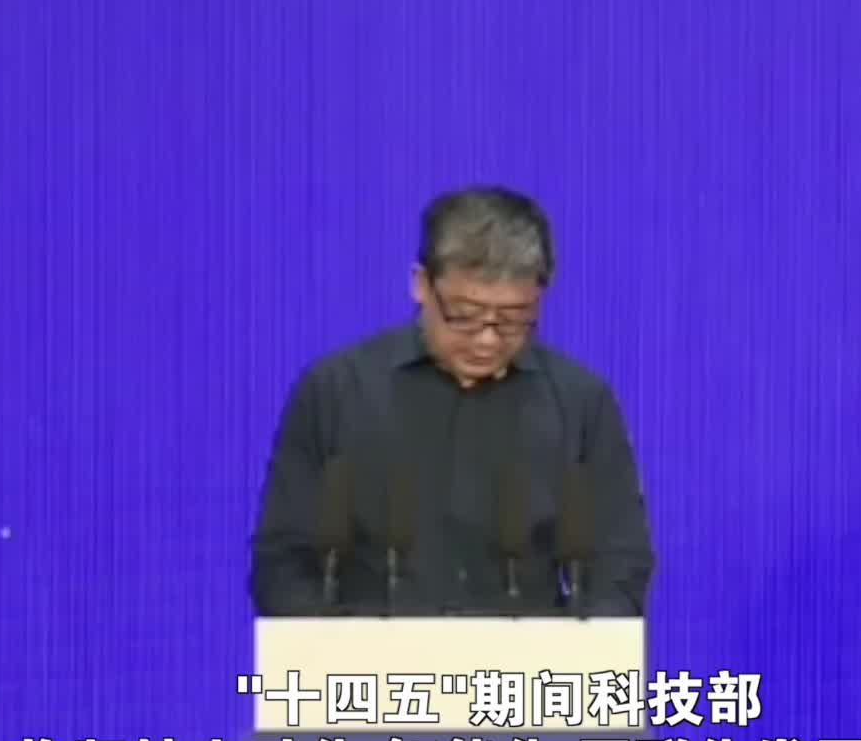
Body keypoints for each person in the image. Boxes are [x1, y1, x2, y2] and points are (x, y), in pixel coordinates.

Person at [249, 186, 654, 616]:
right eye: (465, 315)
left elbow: (620, 563)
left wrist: (583, 645)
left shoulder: (580, 403)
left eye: (514, 319)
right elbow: (282, 562)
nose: (487, 339)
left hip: (528, 656)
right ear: (421, 284)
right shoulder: (337, 390)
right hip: (368, 654)